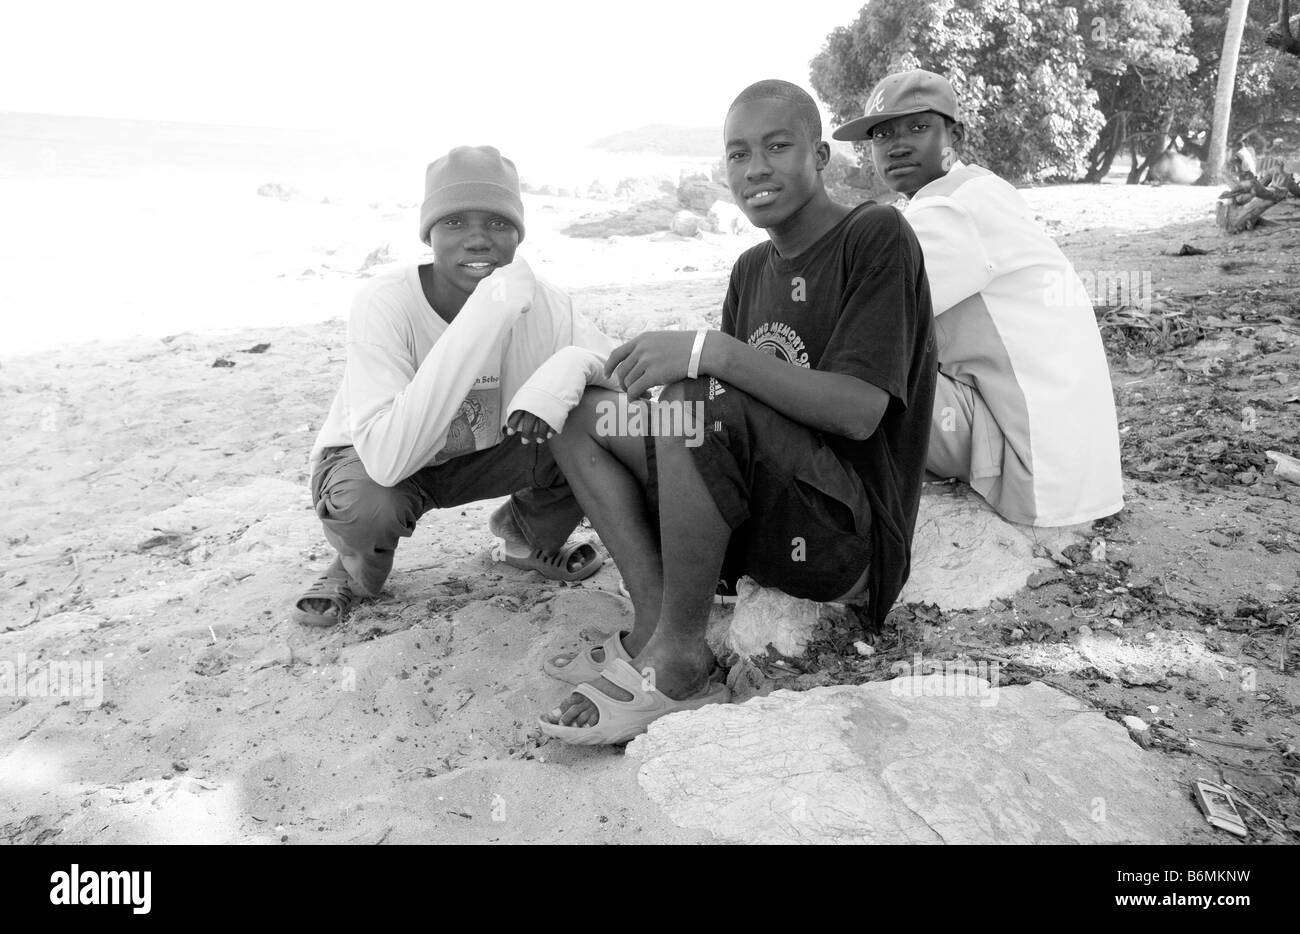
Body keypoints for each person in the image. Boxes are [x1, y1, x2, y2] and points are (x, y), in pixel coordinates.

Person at [537, 80, 937, 745]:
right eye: (738, 154)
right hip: (761, 514)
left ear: (821, 155)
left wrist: (708, 352)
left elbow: (859, 412)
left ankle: (680, 659)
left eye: (777, 147)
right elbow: (738, 414)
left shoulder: (875, 234)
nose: (756, 168)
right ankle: (657, 618)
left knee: (696, 396)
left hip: (843, 537)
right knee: (586, 416)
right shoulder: (753, 269)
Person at [294, 145, 616, 626]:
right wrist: (485, 315)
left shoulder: (545, 303)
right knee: (368, 507)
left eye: (498, 223)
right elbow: (387, 458)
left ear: (517, 235)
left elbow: (614, 365)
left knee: (593, 418)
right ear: (429, 233)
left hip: (484, 455)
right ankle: (354, 564)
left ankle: (522, 534)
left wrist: (568, 367)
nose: (478, 239)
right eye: (454, 223)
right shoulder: (384, 301)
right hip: (380, 461)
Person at [832, 69, 1123, 527]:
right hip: (1069, 461)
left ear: (955, 135)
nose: (898, 144)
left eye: (918, 127)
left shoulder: (950, 208)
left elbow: (855, 318)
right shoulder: (976, 189)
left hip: (1035, 469)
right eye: (882, 133)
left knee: (843, 367)